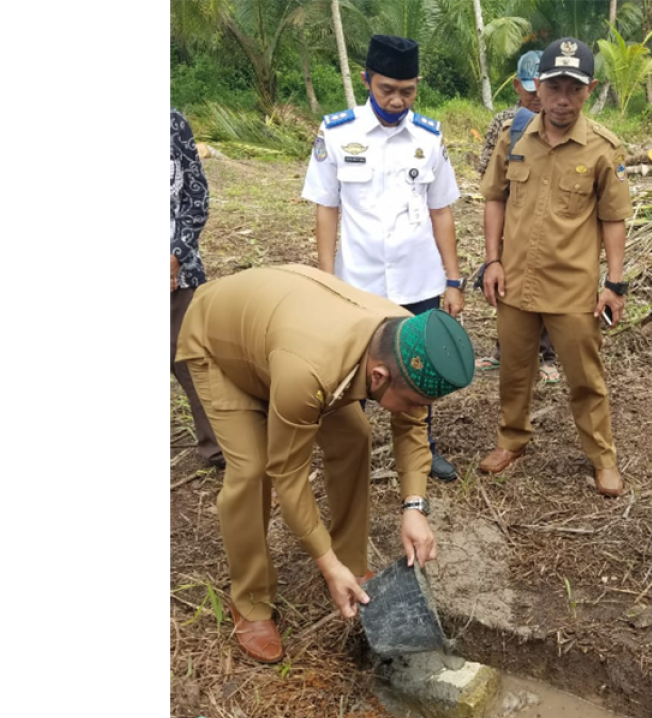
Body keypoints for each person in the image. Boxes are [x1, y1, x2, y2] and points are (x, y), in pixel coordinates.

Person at [176, 264, 476, 663]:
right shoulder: (310, 372)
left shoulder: (405, 334)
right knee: (252, 471)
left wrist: (414, 508)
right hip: (221, 346)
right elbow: (289, 475)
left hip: (281, 340)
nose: (418, 411)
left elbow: (411, 429)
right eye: (414, 401)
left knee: (354, 437)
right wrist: (323, 559)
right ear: (379, 376)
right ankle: (250, 602)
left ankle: (349, 563)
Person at [302, 34, 466, 481]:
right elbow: (326, 208)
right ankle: (348, 451)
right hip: (358, 283)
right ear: (365, 80)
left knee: (421, 369)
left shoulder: (429, 137)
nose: (397, 100)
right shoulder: (337, 133)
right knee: (349, 373)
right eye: (386, 89)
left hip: (418, 280)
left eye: (407, 91)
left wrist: (452, 280)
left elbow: (441, 210)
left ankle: (421, 451)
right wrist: (325, 282)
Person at [477, 37, 632, 497]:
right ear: (537, 86)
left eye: (574, 88)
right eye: (554, 86)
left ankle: (602, 458)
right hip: (515, 281)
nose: (563, 99)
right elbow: (494, 199)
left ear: (590, 90)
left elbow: (613, 219)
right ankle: (512, 439)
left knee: (585, 378)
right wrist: (491, 262)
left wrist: (615, 284)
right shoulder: (513, 137)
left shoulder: (603, 149)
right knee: (514, 369)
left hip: (572, 288)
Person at [475, 50, 559, 384]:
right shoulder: (506, 124)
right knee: (507, 286)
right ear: (518, 87)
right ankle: (505, 350)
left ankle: (548, 354)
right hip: (513, 216)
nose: (536, 98)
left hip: (551, 221)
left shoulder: (562, 122)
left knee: (550, 284)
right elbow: (488, 172)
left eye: (541, 91)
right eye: (530, 90)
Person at [170, 107, 223, 468]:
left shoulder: (174, 123)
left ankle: (217, 447)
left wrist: (175, 256)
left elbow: (196, 196)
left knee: (192, 358)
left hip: (178, 270)